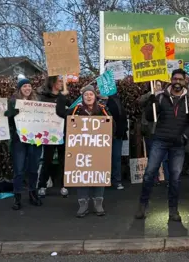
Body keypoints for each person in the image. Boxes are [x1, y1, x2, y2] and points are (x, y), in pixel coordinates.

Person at [135, 69, 189, 222]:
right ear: (171, 79)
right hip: (160, 140)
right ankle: (142, 205)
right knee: (149, 173)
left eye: (180, 79)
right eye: (174, 78)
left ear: (185, 81)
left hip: (178, 144)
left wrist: (185, 136)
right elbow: (149, 117)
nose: (177, 82)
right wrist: (152, 100)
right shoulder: (160, 97)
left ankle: (173, 210)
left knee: (175, 178)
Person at [57, 85, 110, 217]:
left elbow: (111, 124)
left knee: (99, 173)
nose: (88, 97)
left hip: (98, 149)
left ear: (95, 96)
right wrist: (62, 97)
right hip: (80, 150)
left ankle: (98, 203)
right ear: (82, 97)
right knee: (82, 175)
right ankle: (83, 204)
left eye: (91, 94)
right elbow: (60, 113)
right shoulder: (76, 109)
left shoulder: (102, 110)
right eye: (86, 95)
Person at [5, 77, 43, 210]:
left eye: (29, 86)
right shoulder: (13, 102)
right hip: (19, 140)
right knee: (19, 169)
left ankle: (33, 193)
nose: (27, 88)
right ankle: (17, 197)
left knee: (33, 168)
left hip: (35, 139)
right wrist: (16, 112)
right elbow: (8, 118)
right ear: (19, 89)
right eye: (24, 86)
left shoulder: (37, 103)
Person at [37, 76, 67, 198]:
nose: (62, 83)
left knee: (63, 160)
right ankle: (42, 185)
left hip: (62, 133)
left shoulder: (63, 97)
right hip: (48, 134)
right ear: (53, 82)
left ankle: (64, 185)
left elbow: (69, 110)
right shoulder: (43, 98)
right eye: (60, 81)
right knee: (47, 160)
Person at [138, 82, 170, 184]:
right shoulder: (147, 97)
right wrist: (150, 95)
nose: (158, 87)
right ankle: (154, 178)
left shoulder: (164, 97)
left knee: (165, 157)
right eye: (156, 85)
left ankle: (167, 178)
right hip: (150, 131)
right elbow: (140, 102)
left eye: (159, 85)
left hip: (162, 130)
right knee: (152, 156)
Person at [106, 92, 128, 190]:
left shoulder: (117, 100)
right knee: (109, 158)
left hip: (116, 134)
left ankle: (116, 180)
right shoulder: (100, 102)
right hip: (106, 135)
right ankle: (107, 179)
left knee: (116, 158)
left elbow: (122, 117)